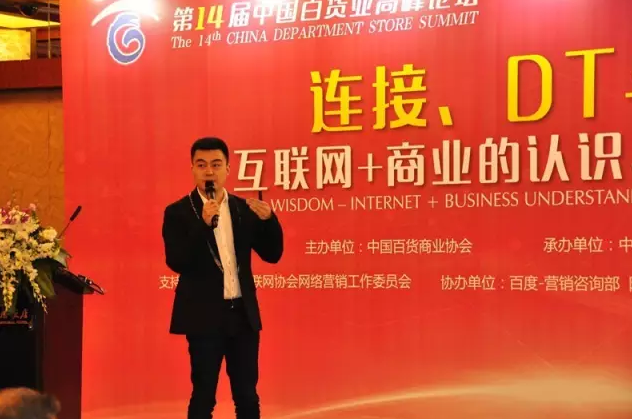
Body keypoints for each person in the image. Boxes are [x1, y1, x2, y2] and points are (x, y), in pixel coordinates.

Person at [161, 137, 284, 419]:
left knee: (247, 395)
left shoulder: (242, 209)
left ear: (228, 169)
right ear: (192, 169)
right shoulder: (178, 212)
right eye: (202, 165)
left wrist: (270, 221)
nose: (209, 171)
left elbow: (273, 254)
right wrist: (203, 225)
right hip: (203, 317)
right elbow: (177, 261)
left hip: (242, 315)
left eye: (216, 165)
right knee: (204, 394)